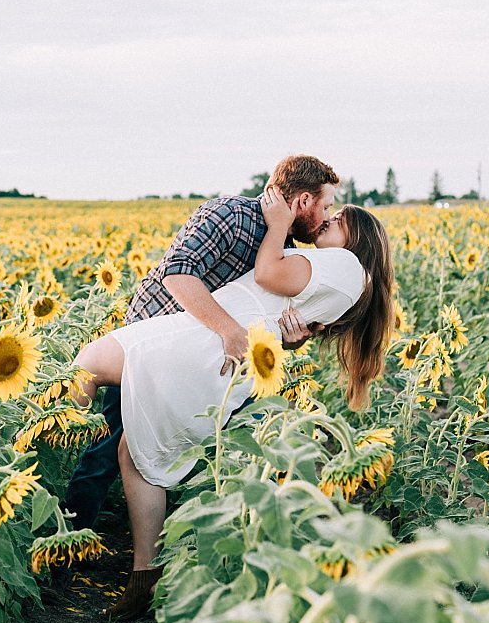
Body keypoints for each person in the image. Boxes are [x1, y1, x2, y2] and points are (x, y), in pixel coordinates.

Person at [73, 186, 395, 620]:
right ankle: (144, 576)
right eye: (328, 210)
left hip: (208, 342)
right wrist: (288, 335)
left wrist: (279, 225)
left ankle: (50, 443)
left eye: (338, 221)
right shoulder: (342, 275)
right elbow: (285, 310)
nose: (328, 219)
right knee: (135, 452)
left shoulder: (345, 265)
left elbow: (266, 275)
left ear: (358, 242)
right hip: (228, 355)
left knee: (87, 364)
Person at [52, 156, 340, 590]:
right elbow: (178, 276)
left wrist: (292, 338)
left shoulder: (286, 252)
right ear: (303, 200)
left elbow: (265, 321)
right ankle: (64, 556)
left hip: (197, 367)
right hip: (151, 343)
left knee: (164, 454)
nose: (325, 219)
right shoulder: (228, 214)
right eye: (326, 205)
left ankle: (142, 563)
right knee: (104, 448)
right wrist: (228, 330)